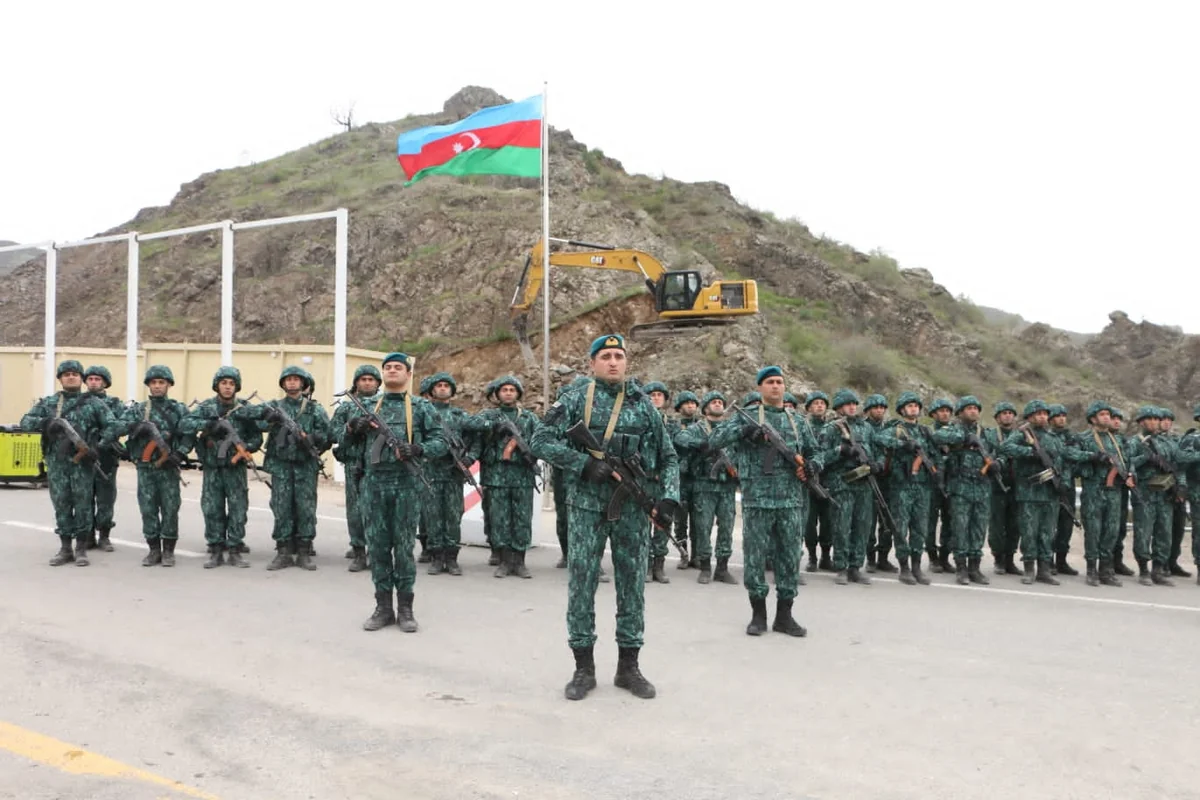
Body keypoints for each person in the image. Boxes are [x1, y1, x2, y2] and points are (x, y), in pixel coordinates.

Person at [531, 334, 679, 701]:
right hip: (585, 509)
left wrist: (669, 499)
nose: (613, 362)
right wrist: (582, 464)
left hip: (631, 510)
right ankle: (583, 668)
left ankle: (629, 667)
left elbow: (669, 456)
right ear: (592, 363)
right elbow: (540, 440)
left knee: (632, 586)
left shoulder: (644, 406)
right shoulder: (576, 398)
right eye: (606, 356)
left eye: (619, 356)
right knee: (581, 584)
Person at [699, 366, 814, 634]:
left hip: (790, 501)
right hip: (757, 500)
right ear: (761, 388)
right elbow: (714, 439)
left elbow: (817, 453)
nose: (775, 386)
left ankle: (784, 616)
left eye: (779, 382)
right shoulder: (746, 418)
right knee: (755, 559)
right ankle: (758, 615)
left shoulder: (797, 421)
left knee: (788, 559)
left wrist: (811, 466)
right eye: (770, 382)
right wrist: (745, 433)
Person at [347, 353, 447, 632]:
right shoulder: (366, 406)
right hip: (374, 484)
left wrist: (418, 449)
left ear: (408, 374)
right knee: (377, 547)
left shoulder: (421, 407)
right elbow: (344, 447)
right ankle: (382, 607)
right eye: (388, 367)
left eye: (398, 367)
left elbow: (440, 441)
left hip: (406, 484)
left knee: (403, 548)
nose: (392, 371)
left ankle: (405, 608)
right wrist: (355, 429)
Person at [20, 360, 117, 566]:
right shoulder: (49, 403)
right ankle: (65, 548)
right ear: (60, 379)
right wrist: (47, 423)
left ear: (81, 378)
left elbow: (113, 426)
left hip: (82, 464)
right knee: (62, 503)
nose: (71, 377)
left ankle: (81, 548)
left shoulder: (94, 403)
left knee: (83, 504)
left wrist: (97, 447)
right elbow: (26, 421)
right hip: (57, 463)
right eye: (66, 374)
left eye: (74, 374)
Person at [178, 366, 263, 568]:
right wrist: (208, 426)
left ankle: (234, 549)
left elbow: (257, 436)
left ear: (237, 387)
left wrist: (245, 448)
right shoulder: (207, 408)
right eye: (224, 383)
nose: (227, 387)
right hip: (212, 467)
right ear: (217, 385)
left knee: (238, 509)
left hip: (236, 469)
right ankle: (216, 549)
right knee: (212, 508)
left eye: (231, 384)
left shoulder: (243, 408)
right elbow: (185, 424)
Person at [113, 366, 192, 567]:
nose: (157, 386)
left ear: (169, 385)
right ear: (148, 385)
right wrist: (136, 427)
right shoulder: (139, 409)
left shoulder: (178, 409)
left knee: (170, 508)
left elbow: (189, 433)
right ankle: (153, 549)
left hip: (168, 467)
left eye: (161, 383)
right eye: (154, 383)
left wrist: (180, 453)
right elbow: (117, 427)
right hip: (146, 467)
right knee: (148, 508)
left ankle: (168, 550)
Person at [258, 366, 332, 570]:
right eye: (288, 379)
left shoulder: (314, 409)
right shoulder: (275, 406)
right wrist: (267, 417)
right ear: (283, 383)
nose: (291, 383)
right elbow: (255, 420)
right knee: (281, 507)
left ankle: (303, 551)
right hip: (281, 464)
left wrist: (313, 439)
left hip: (305, 465)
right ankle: (283, 551)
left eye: (296, 380)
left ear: (303, 383)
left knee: (305, 508)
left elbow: (328, 435)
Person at [472, 375, 541, 579]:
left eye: (512, 390)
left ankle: (519, 561)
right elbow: (470, 427)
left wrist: (530, 452)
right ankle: (503, 561)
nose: (508, 393)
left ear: (518, 393)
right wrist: (492, 428)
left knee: (522, 519)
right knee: (499, 519)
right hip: (496, 476)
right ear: (498, 394)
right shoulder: (488, 416)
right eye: (504, 390)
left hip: (522, 476)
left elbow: (541, 440)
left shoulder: (529, 418)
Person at [999, 400, 1074, 585]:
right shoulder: (1022, 434)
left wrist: (1063, 482)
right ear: (1030, 417)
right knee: (1029, 532)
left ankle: (1044, 569)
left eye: (1044, 414)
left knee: (1047, 533)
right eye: (1038, 414)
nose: (1042, 417)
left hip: (1050, 494)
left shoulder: (1053, 437)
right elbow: (1005, 448)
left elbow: (1062, 461)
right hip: (1029, 493)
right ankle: (1029, 569)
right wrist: (1030, 452)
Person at [875, 391, 940, 585]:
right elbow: (879, 439)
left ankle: (917, 566)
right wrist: (903, 445)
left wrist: (937, 471)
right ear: (903, 410)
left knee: (920, 527)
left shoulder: (925, 432)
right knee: (900, 526)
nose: (913, 409)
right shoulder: (895, 429)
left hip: (922, 486)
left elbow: (935, 453)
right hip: (901, 485)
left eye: (916, 406)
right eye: (909, 406)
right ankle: (904, 567)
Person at [674, 390, 739, 584]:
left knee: (726, 527)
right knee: (703, 527)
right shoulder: (698, 428)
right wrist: (701, 445)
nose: (718, 404)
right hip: (704, 484)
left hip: (726, 486)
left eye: (720, 402)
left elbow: (739, 449)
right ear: (706, 408)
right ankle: (705, 567)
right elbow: (680, 439)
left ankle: (722, 568)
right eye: (714, 402)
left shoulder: (729, 428)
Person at [421, 371, 478, 576]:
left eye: (446, 385)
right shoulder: (424, 413)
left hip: (454, 474)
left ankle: (452, 558)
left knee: (453, 516)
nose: (443, 388)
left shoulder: (460, 416)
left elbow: (477, 437)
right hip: (430, 472)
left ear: (452, 390)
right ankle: (436, 557)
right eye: (439, 386)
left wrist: (469, 458)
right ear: (432, 391)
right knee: (433, 515)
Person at [932, 396, 993, 586]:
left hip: (982, 487)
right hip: (960, 486)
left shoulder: (986, 433)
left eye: (976, 408)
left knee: (978, 529)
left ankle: (975, 567)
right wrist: (965, 438)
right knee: (960, 528)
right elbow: (937, 437)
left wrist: (998, 463)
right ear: (960, 412)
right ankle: (961, 568)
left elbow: (1000, 451)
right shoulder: (953, 429)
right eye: (969, 408)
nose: (973, 411)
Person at [1072, 402, 1131, 587]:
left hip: (1114, 491)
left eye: (1108, 414)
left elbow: (1128, 459)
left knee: (1111, 531)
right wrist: (1093, 456)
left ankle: (1106, 570)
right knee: (1093, 531)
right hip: (1093, 489)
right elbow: (1069, 453)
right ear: (1093, 418)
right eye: (1102, 414)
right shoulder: (1084, 438)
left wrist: (1130, 473)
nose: (1107, 417)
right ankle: (1091, 570)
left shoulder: (1117, 440)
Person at [331, 364, 382, 572]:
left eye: (371, 379)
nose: (367, 382)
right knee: (356, 510)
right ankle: (359, 551)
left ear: (378, 383)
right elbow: (332, 433)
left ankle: (376, 552)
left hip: (379, 465)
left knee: (378, 510)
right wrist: (350, 427)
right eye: (363, 379)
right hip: (354, 464)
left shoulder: (385, 404)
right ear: (356, 383)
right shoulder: (346, 407)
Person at [83, 365, 125, 551]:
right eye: (90, 379)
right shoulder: (79, 402)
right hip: (83, 455)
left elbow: (121, 425)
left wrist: (105, 437)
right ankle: (88, 535)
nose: (93, 382)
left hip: (106, 455)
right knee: (84, 496)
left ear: (105, 382)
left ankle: (104, 535)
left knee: (106, 497)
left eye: (97, 379)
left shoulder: (115, 404)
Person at [641, 380, 674, 583]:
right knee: (642, 523)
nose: (655, 398)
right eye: (651, 395)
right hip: (643, 479)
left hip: (663, 480)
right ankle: (645, 564)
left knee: (663, 522)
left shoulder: (672, 425)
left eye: (659, 395)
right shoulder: (639, 422)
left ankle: (659, 565)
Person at [862, 394, 896, 573]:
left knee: (887, 521)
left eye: (882, 408)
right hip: (868, 479)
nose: (880, 410)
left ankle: (883, 557)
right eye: (876, 407)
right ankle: (870, 558)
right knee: (869, 521)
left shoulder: (889, 428)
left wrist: (882, 463)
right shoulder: (863, 428)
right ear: (868, 410)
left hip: (887, 480)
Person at [986, 402, 1021, 575]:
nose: (1007, 416)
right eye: (1004, 413)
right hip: (996, 485)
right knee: (997, 524)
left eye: (1010, 413)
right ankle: (998, 559)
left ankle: (1010, 559)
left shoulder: (1020, 435)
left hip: (1017, 485)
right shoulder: (990, 435)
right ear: (998, 417)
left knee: (1014, 525)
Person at [1046, 404, 1080, 576]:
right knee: (1050, 525)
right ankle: (1048, 560)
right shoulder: (1047, 437)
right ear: (1050, 419)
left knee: (1066, 526)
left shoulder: (1071, 437)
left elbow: (1077, 456)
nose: (1061, 419)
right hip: (1052, 486)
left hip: (1068, 486)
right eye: (1057, 416)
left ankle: (1061, 560)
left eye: (1063, 415)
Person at [802, 391, 833, 572]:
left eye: (822, 403)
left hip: (829, 480)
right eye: (815, 403)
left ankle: (826, 557)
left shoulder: (834, 428)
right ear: (809, 408)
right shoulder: (803, 427)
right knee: (809, 523)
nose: (819, 406)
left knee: (828, 522)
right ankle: (812, 557)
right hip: (808, 481)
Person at [672, 390, 701, 570]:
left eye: (693, 403)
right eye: (687, 403)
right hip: (681, 479)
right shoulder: (674, 426)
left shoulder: (701, 426)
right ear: (680, 406)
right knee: (680, 520)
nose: (690, 406)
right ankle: (683, 554)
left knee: (698, 520)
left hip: (698, 478)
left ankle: (697, 556)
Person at [926, 397, 955, 572]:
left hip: (952, 483)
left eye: (947, 411)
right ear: (934, 414)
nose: (945, 414)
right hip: (931, 484)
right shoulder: (927, 432)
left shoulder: (955, 432)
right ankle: (932, 557)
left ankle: (945, 557)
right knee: (929, 523)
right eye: (941, 411)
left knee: (949, 522)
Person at [1108, 408, 1135, 576]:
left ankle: (1117, 561)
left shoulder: (1124, 441)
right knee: (1108, 528)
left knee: (1120, 527)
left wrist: (1131, 472)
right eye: (1113, 418)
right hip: (1108, 488)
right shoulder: (1103, 440)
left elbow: (1131, 459)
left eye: (1119, 419)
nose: (1117, 421)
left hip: (1122, 488)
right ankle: (1105, 562)